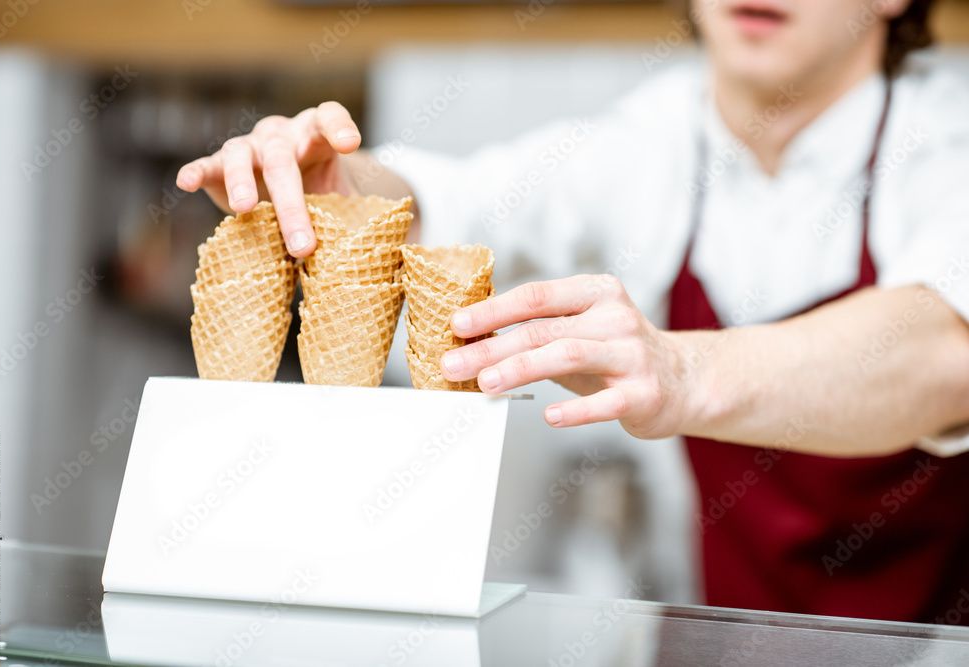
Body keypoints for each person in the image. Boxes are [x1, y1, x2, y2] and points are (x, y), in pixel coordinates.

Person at [177, 0, 969, 623]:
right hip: (715, 640)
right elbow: (463, 206)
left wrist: (681, 371)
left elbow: (939, 352)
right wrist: (345, 193)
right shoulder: (653, 140)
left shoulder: (950, 141)